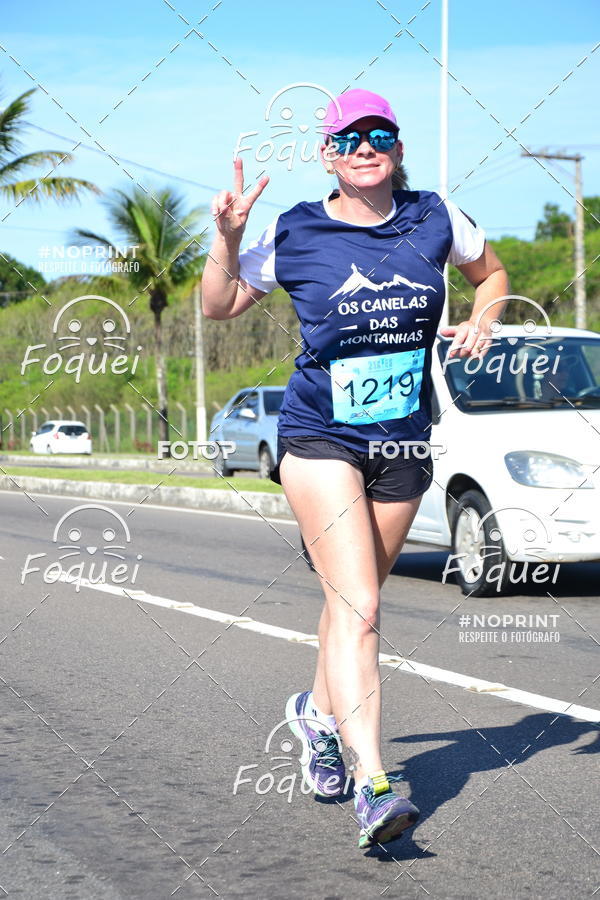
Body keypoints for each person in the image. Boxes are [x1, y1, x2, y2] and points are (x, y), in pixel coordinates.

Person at [202, 88, 509, 849]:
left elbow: (492, 274)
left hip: (402, 441)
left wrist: (484, 317)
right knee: (363, 605)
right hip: (319, 437)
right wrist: (226, 240)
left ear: (398, 148)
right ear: (327, 154)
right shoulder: (295, 228)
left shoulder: (436, 216)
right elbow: (219, 304)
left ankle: (315, 716)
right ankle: (375, 785)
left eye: (378, 134)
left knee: (351, 605)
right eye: (347, 137)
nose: (364, 147)